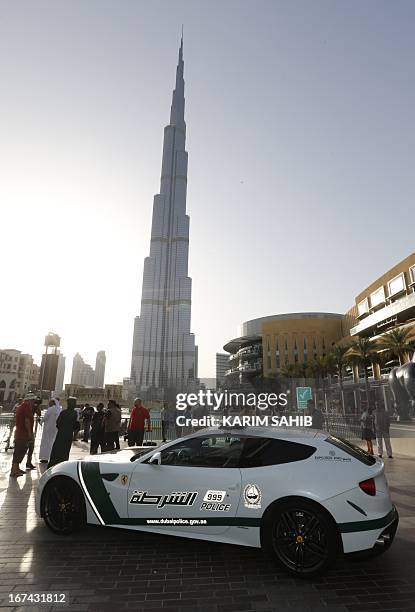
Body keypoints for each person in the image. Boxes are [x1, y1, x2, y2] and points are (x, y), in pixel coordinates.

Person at [48, 397, 79, 468]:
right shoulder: (74, 413)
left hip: (61, 434)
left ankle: (54, 463)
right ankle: (63, 464)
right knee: (65, 450)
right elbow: (75, 425)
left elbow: (58, 423)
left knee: (57, 449)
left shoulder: (63, 412)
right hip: (69, 434)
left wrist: (62, 428)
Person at [10, 393, 36, 477]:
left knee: (19, 451)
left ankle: (16, 468)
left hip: (20, 433)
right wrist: (30, 433)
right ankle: (14, 470)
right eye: (33, 400)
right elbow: (27, 421)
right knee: (19, 451)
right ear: (29, 400)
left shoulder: (22, 406)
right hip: (23, 434)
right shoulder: (26, 407)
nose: (34, 402)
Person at [39, 398, 61, 463]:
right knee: (52, 442)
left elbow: (45, 417)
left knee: (46, 443)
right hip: (55, 429)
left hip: (48, 429)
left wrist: (40, 421)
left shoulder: (50, 409)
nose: (49, 403)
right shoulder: (58, 409)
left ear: (53, 402)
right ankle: (52, 456)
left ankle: (45, 458)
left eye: (50, 402)